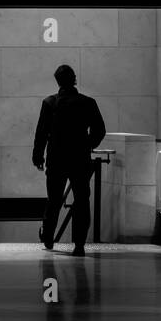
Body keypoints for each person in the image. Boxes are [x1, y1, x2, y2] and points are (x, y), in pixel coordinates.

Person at [32, 64, 106, 256]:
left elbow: (41, 133)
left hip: (56, 158)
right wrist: (88, 144)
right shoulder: (88, 102)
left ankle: (48, 237)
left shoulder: (50, 103)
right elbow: (99, 130)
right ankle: (79, 244)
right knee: (82, 200)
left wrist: (38, 156)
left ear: (57, 81)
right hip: (79, 158)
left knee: (54, 199)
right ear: (74, 79)